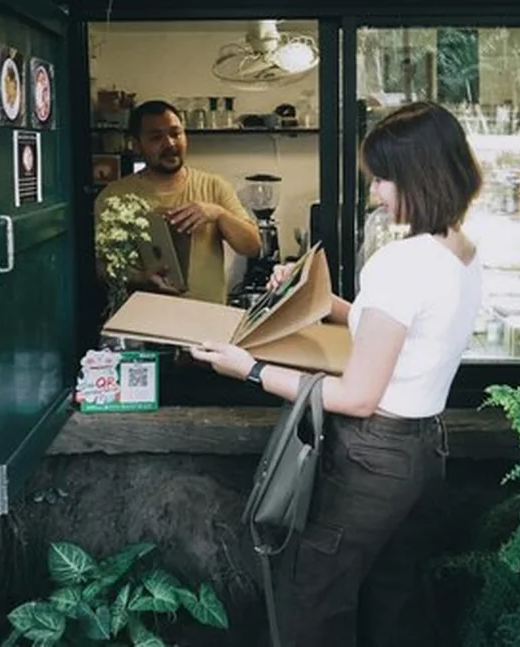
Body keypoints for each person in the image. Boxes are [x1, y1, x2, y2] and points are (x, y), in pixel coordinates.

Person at [190, 101, 484, 647]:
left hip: (370, 459)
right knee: (396, 597)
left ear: (418, 177)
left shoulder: (404, 262)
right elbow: (393, 328)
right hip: (422, 452)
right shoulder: (461, 252)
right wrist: (316, 299)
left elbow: (355, 396)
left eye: (384, 180)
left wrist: (251, 369)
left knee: (311, 596)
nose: (377, 194)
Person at [95, 99, 261, 304]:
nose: (170, 144)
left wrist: (218, 214)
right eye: (156, 137)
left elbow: (252, 247)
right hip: (143, 321)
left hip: (205, 320)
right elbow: (101, 267)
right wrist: (140, 278)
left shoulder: (214, 187)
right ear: (136, 144)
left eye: (176, 134)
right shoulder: (115, 196)